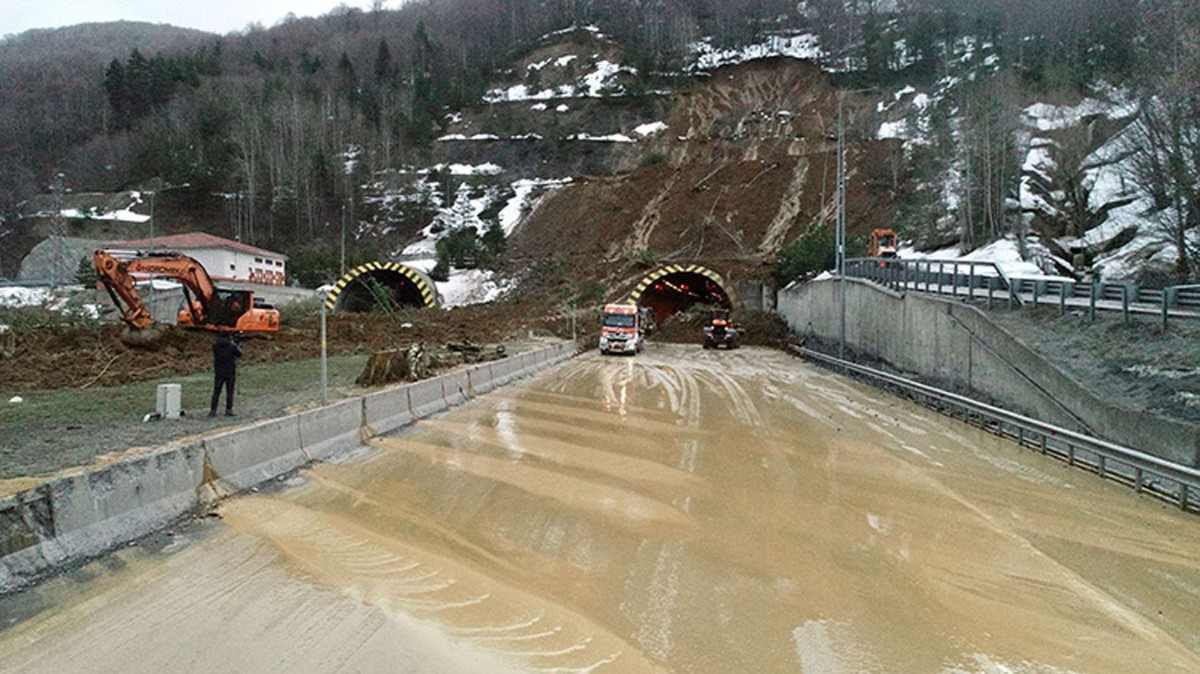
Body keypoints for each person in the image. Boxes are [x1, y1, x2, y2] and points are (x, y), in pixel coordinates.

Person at [210, 332, 242, 417]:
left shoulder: (215, 346)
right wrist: (236, 344)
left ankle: (213, 410)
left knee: (216, 391)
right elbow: (239, 354)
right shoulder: (231, 346)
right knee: (229, 391)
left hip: (219, 372)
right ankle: (228, 410)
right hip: (230, 372)